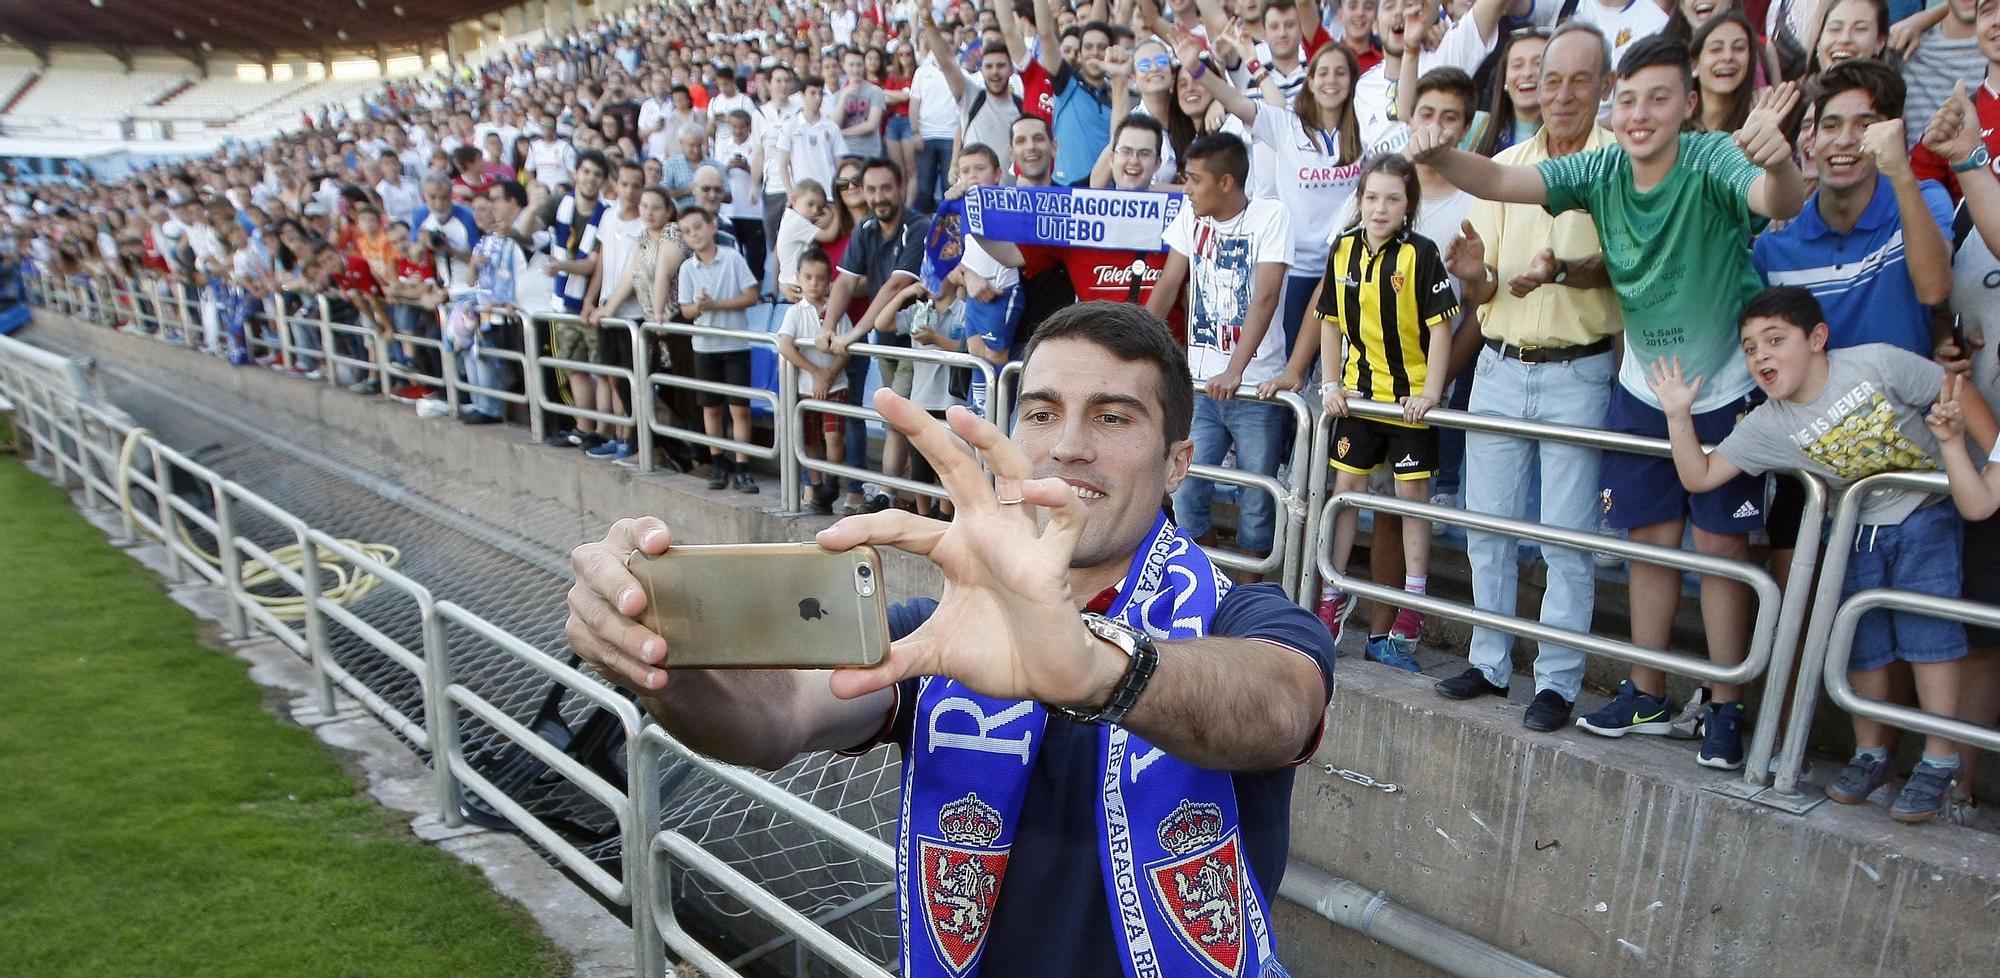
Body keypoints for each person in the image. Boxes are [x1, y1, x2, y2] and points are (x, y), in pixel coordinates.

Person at [563, 300, 1331, 978]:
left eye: (1113, 416)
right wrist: (659, 656)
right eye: (1039, 412)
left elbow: (1279, 706)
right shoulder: (943, 636)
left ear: (1178, 465)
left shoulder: (1250, 618)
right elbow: (775, 718)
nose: (1068, 445)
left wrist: (1097, 669)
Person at [1410, 34, 1806, 760]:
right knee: (1647, 544)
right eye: (1631, 100)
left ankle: (1724, 703)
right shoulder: (1597, 167)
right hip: (1641, 387)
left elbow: (1775, 197)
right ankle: (1647, 692)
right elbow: (1499, 183)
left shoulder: (1713, 157)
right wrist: (1436, 154)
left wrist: (1778, 159)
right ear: (1614, 107)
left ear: (1688, 104)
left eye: (1659, 98)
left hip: (1717, 385)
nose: (1642, 113)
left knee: (1720, 547)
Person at [1654, 286, 1967, 822]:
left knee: (1929, 639)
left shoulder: (1874, 364)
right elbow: (1699, 475)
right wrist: (1678, 415)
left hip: (1926, 514)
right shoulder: (1770, 422)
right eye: (1751, 348)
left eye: (1775, 340)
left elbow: (1956, 395)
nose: (1762, 356)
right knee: (1862, 643)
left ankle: (1940, 761)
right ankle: (1872, 754)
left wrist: (1988, 470)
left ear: (1817, 338)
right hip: (1855, 528)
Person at [1430, 22, 1625, 733]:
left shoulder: (1620, 166)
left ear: (1606, 86)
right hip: (1501, 365)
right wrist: (1474, 276)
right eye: (1552, 80)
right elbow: (1484, 298)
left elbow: (1621, 268)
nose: (1564, 94)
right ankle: (1488, 660)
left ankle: (1560, 680)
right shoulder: (1505, 164)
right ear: (1533, 87)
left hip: (1580, 367)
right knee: (1486, 528)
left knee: (1566, 536)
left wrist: (1566, 272)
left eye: (1581, 79)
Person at [1313, 154, 1459, 672]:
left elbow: (1441, 328)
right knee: (1344, 495)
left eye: (1392, 199)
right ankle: (1331, 599)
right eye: (1371, 197)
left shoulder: (1422, 254)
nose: (1380, 208)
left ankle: (1411, 612)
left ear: (1408, 206)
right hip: (1357, 397)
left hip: (1409, 403)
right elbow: (1328, 321)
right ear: (1359, 200)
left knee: (1409, 501)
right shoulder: (1343, 249)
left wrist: (1431, 394)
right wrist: (1331, 383)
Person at [1146, 134, 1291, 578]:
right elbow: (1168, 284)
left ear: (1226, 182)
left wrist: (1235, 369)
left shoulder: (1271, 214)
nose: (1185, 188)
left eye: (1194, 179)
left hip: (1254, 390)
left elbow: (1265, 297)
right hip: (1199, 386)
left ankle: (1246, 594)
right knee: (1185, 490)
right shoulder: (1189, 218)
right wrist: (1133, 346)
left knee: (1256, 502)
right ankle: (1211, 581)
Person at [823, 158, 932, 513]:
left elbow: (896, 285)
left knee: (901, 418)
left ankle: (897, 495)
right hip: (885, 340)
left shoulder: (918, 226)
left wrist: (854, 331)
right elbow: (846, 281)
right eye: (871, 189)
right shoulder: (866, 227)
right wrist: (828, 327)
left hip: (919, 337)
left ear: (901, 187)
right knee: (897, 420)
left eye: (885, 188)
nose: (878, 196)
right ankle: (896, 494)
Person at [677, 206, 763, 494]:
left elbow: (751, 295)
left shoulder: (733, 258)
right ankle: (718, 463)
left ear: (712, 226)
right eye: (687, 231)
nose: (694, 234)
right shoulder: (687, 268)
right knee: (711, 409)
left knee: (740, 410)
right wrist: (700, 306)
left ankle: (742, 467)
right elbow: (686, 310)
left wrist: (717, 304)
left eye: (698, 227)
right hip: (704, 346)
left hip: (735, 343)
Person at [536, 149, 612, 453]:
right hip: (563, 301)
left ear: (604, 180)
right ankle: (584, 427)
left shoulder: (606, 215)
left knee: (603, 371)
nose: (591, 179)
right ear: (575, 174)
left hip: (591, 304)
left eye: (597, 174)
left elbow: (593, 264)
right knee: (575, 368)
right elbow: (529, 229)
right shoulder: (559, 204)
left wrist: (560, 266)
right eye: (586, 172)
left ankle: (603, 431)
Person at [777, 248, 852, 515]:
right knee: (810, 440)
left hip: (836, 385)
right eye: (807, 277)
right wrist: (815, 373)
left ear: (829, 281)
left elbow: (847, 350)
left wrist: (828, 375)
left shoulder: (837, 313)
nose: (813, 283)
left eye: (820, 278)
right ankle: (818, 487)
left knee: (833, 436)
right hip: (806, 388)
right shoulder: (795, 313)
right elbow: (785, 346)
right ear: (798, 277)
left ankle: (832, 483)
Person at [780, 76, 848, 199]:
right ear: (802, 95)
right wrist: (790, 192)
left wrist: (842, 193)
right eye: (812, 93)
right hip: (802, 197)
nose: (817, 98)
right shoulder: (790, 125)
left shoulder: (832, 127)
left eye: (820, 93)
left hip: (829, 195)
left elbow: (840, 164)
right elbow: (782, 164)